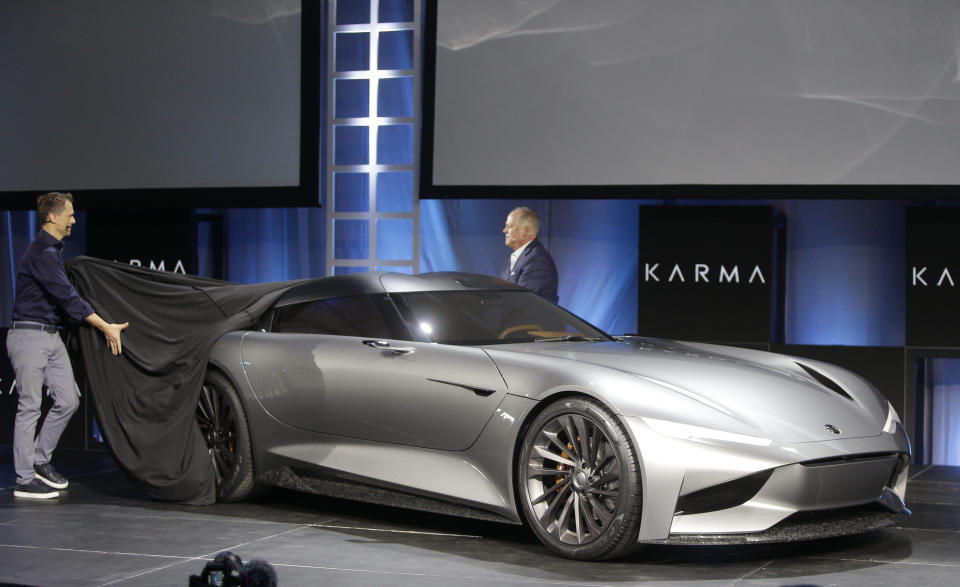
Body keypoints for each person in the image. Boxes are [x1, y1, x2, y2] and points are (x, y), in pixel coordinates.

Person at [7, 192, 129, 499]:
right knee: (30, 406)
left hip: (51, 336)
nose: (73, 219)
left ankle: (40, 459)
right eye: (69, 214)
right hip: (28, 336)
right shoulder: (40, 254)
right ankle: (24, 478)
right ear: (52, 217)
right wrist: (104, 326)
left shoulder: (53, 253)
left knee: (68, 400)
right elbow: (67, 297)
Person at [499, 206, 559, 303]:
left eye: (509, 226)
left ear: (527, 230)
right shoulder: (512, 259)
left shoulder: (538, 260)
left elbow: (520, 301)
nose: (504, 230)